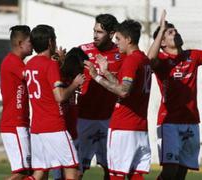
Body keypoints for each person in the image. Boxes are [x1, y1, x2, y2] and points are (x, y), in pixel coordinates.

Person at [147, 7, 202, 180]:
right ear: (162, 42)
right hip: (169, 122)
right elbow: (149, 60)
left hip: (191, 121)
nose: (175, 32)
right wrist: (160, 30)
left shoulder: (193, 55)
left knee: (181, 173)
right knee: (169, 172)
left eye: (175, 30)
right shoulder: (161, 61)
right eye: (170, 32)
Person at [85, 19, 152, 180]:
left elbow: (123, 91)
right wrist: (106, 72)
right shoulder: (144, 59)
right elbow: (125, 86)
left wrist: (96, 78)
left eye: (119, 39)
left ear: (128, 39)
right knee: (136, 175)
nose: (117, 43)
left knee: (116, 175)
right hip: (140, 128)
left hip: (124, 126)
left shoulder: (131, 60)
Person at [24, 24, 84, 180]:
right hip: (54, 127)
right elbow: (60, 96)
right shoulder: (50, 64)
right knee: (73, 172)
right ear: (50, 42)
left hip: (37, 128)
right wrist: (75, 84)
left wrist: (59, 63)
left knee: (39, 173)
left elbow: (44, 82)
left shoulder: (30, 64)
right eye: (55, 39)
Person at [77, 13, 123, 179]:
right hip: (83, 118)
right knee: (77, 170)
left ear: (111, 34)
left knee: (111, 169)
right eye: (94, 31)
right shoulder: (82, 51)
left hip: (110, 119)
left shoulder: (121, 53)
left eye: (100, 32)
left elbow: (125, 85)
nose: (95, 35)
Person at [0, 25, 33, 180]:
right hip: (14, 124)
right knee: (21, 172)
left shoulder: (18, 62)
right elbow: (33, 77)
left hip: (20, 123)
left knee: (31, 172)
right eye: (30, 42)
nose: (32, 45)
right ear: (20, 44)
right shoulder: (12, 62)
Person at [52, 47, 88, 180]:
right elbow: (60, 97)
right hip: (60, 135)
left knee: (78, 174)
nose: (81, 71)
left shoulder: (72, 78)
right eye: (80, 67)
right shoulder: (58, 76)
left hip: (74, 133)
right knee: (61, 176)